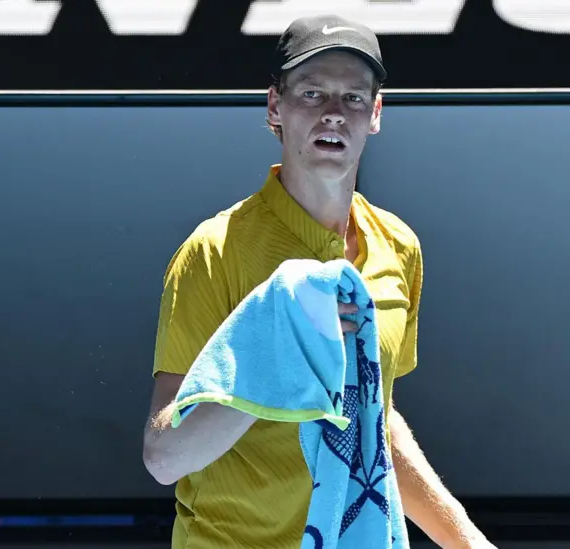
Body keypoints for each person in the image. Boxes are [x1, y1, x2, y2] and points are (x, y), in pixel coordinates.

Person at [142, 14, 494, 549]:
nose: (334, 113)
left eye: (354, 98)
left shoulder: (399, 246)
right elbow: (165, 457)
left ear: (375, 114)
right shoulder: (213, 251)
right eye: (312, 93)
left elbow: (373, 418)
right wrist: (276, 350)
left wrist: (468, 542)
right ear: (274, 107)